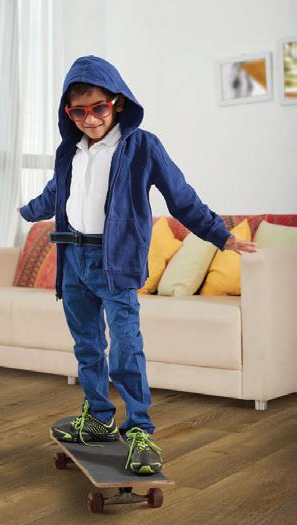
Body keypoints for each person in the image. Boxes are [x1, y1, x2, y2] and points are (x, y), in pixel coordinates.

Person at [18, 55, 258, 475]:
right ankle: (97, 417)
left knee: (126, 348)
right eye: (78, 112)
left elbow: (181, 197)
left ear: (118, 103)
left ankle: (140, 430)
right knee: (87, 346)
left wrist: (221, 236)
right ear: (68, 112)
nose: (90, 119)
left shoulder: (142, 146)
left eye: (99, 108)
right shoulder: (69, 151)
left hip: (115, 262)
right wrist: (25, 210)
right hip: (72, 260)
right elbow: (57, 193)